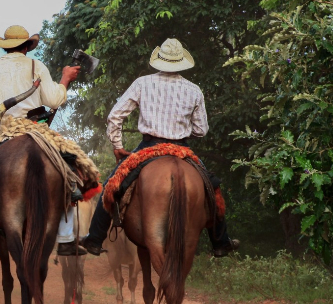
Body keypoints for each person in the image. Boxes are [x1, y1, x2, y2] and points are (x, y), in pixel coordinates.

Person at [79, 38, 240, 257]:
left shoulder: (142, 83)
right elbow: (202, 130)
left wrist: (118, 145)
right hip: (182, 149)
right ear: (181, 61)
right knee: (213, 189)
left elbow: (115, 116)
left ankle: (95, 239)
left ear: (160, 60)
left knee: (111, 185)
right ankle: (220, 242)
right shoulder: (193, 90)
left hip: (149, 147)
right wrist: (180, 132)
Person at [0, 25, 90, 257]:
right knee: (69, 170)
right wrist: (65, 79)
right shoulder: (37, 66)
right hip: (34, 129)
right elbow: (54, 100)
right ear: (27, 46)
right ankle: (65, 237)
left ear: (5, 47)